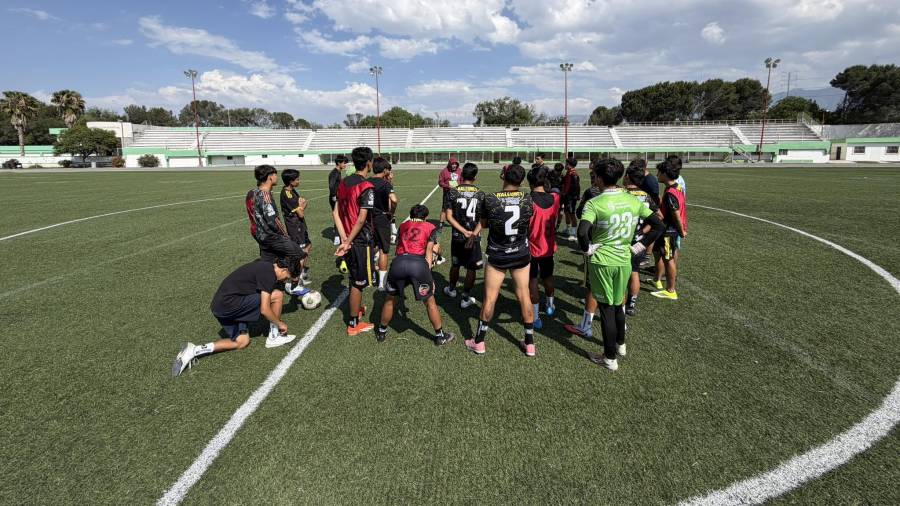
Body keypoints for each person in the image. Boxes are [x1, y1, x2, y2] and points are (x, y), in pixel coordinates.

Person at [577, 158, 664, 371]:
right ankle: (621, 345)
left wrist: (588, 249)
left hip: (603, 261)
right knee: (618, 304)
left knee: (606, 308)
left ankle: (609, 358)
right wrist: (639, 246)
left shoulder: (595, 202)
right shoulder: (632, 199)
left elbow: (581, 232)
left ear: (598, 177)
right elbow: (658, 225)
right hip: (624, 258)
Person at [171, 258, 297, 377]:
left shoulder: (265, 265)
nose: (284, 280)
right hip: (229, 305)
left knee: (242, 342)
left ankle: (194, 350)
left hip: (220, 308)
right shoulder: (269, 274)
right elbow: (264, 309)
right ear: (284, 270)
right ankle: (274, 336)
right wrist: (279, 323)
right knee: (277, 295)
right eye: (286, 278)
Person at [465, 164, 536, 357]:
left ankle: (479, 342)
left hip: (498, 253)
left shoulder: (491, 198)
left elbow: (486, 223)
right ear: (521, 180)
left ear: (504, 176)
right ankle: (530, 343)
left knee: (490, 298)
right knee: (524, 295)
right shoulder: (528, 198)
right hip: (520, 251)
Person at [376, 205, 456, 346]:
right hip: (418, 264)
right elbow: (429, 252)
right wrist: (429, 277)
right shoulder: (430, 226)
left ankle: (381, 332)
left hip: (399, 262)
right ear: (425, 217)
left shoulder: (403, 225)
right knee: (430, 302)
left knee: (389, 299)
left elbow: (399, 246)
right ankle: (440, 336)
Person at [334, 147, 377, 335]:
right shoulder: (366, 186)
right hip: (359, 240)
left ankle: (355, 311)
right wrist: (349, 240)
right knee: (359, 282)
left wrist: (344, 238)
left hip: (350, 239)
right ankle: (353, 324)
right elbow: (361, 219)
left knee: (354, 278)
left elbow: (335, 212)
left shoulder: (343, 183)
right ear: (369, 162)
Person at [244, 164, 307, 295]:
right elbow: (274, 221)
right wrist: (285, 235)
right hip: (271, 236)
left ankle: (262, 285)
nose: (277, 177)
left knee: (267, 262)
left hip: (259, 235)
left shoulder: (251, 193)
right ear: (270, 177)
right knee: (298, 254)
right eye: (275, 175)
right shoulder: (265, 196)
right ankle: (293, 284)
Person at [564, 161, 605, 339]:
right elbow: (656, 221)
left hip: (596, 245)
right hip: (621, 252)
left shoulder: (593, 193)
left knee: (592, 285)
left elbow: (581, 218)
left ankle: (586, 325)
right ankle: (622, 324)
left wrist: (586, 247)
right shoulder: (625, 196)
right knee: (619, 290)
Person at [442, 162, 484, 308]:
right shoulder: (480, 194)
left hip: (457, 236)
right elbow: (483, 219)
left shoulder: (452, 192)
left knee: (456, 264)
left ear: (461, 175)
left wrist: (463, 231)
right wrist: (472, 234)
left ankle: (452, 289)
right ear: (475, 177)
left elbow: (448, 216)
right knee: (471, 268)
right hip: (474, 236)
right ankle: (465, 297)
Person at [527, 165, 561, 329]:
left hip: (532, 248)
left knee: (532, 280)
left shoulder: (527, 200)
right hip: (548, 246)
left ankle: (535, 316)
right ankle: (550, 305)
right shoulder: (555, 197)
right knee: (548, 276)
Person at [623, 164, 659, 316]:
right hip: (640, 241)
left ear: (627, 177)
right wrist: (642, 231)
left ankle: (618, 303)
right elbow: (658, 217)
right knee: (635, 271)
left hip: (623, 239)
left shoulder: (623, 194)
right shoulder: (646, 195)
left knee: (620, 273)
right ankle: (631, 304)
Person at [651, 159, 687, 300]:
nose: (657, 175)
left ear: (665, 174)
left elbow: (676, 214)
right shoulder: (676, 188)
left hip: (669, 231)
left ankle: (671, 290)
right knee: (666, 257)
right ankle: (665, 285)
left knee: (668, 259)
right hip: (669, 230)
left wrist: (681, 230)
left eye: (659, 172)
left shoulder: (671, 192)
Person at [280, 169, 313, 290]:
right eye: (297, 179)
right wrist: (302, 205)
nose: (299, 181)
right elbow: (301, 213)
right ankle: (296, 279)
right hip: (295, 227)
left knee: (308, 246)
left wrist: (302, 205)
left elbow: (301, 207)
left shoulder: (291, 190)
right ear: (291, 181)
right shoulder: (288, 194)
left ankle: (300, 273)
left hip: (299, 225)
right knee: (301, 252)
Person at [369, 157, 398, 291]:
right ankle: (381, 283)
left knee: (370, 248)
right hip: (381, 218)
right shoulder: (385, 184)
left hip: (368, 218)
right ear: (385, 170)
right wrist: (391, 212)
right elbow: (394, 200)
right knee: (383, 250)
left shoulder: (366, 182)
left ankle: (371, 277)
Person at [329, 155, 348, 246]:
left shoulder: (338, 172)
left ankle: (339, 235)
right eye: (344, 163)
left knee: (340, 216)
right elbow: (331, 186)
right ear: (339, 163)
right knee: (337, 216)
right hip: (335, 198)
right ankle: (337, 236)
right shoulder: (334, 173)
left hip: (338, 198)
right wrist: (334, 196)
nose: (345, 165)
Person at [561, 157, 581, 241]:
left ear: (569, 165)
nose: (565, 165)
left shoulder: (574, 174)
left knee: (572, 213)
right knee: (566, 212)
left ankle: (574, 233)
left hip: (571, 197)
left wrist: (575, 196)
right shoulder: (568, 172)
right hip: (567, 196)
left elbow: (576, 187)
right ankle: (568, 229)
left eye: (566, 163)